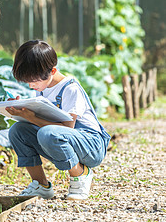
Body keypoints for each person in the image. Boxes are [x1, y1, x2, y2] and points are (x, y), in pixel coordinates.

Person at [6, 40, 111, 200]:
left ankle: (81, 174)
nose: (31, 85)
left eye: (34, 81)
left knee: (47, 133)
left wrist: (32, 117)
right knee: (17, 130)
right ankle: (41, 185)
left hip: (91, 145)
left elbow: (67, 128)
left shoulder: (70, 88)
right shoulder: (42, 88)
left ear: (53, 71)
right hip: (62, 138)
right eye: (27, 81)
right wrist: (22, 111)